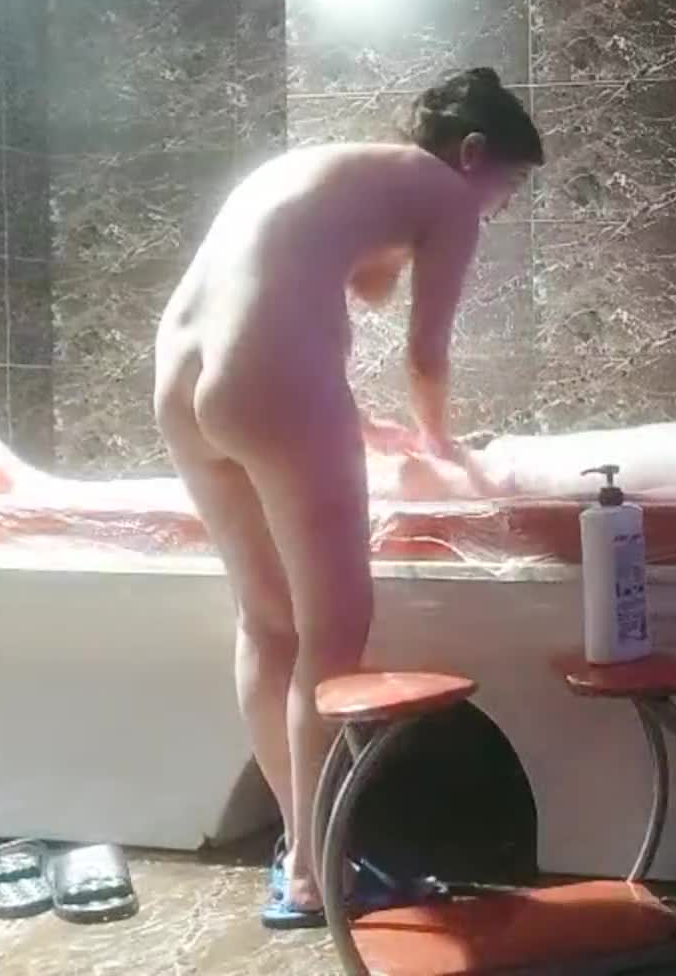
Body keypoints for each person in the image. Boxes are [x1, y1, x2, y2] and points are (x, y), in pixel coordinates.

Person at [147, 67, 542, 927]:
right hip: (269, 382)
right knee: (333, 634)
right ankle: (315, 872)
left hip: (178, 377)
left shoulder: (329, 169)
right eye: (509, 187)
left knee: (268, 624)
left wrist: (355, 424)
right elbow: (424, 354)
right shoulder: (445, 192)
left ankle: (302, 849)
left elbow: (277, 302)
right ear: (473, 154)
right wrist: (440, 444)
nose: (499, 209)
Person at [0, 380, 676, 524]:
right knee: (243, 484)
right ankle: (35, 486)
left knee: (237, 497)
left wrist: (453, 475)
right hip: (461, 469)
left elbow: (613, 509)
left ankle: (31, 491)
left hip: (459, 492)